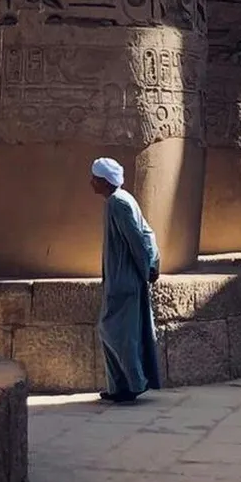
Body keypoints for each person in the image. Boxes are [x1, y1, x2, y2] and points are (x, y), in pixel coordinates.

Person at [89, 157, 162, 404]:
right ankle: (120, 386)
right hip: (123, 279)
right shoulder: (121, 200)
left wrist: (147, 269)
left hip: (124, 281)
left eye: (95, 179)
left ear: (104, 180)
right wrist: (151, 264)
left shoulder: (118, 203)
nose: (91, 183)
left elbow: (136, 239)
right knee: (116, 332)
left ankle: (133, 383)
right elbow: (147, 233)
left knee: (116, 333)